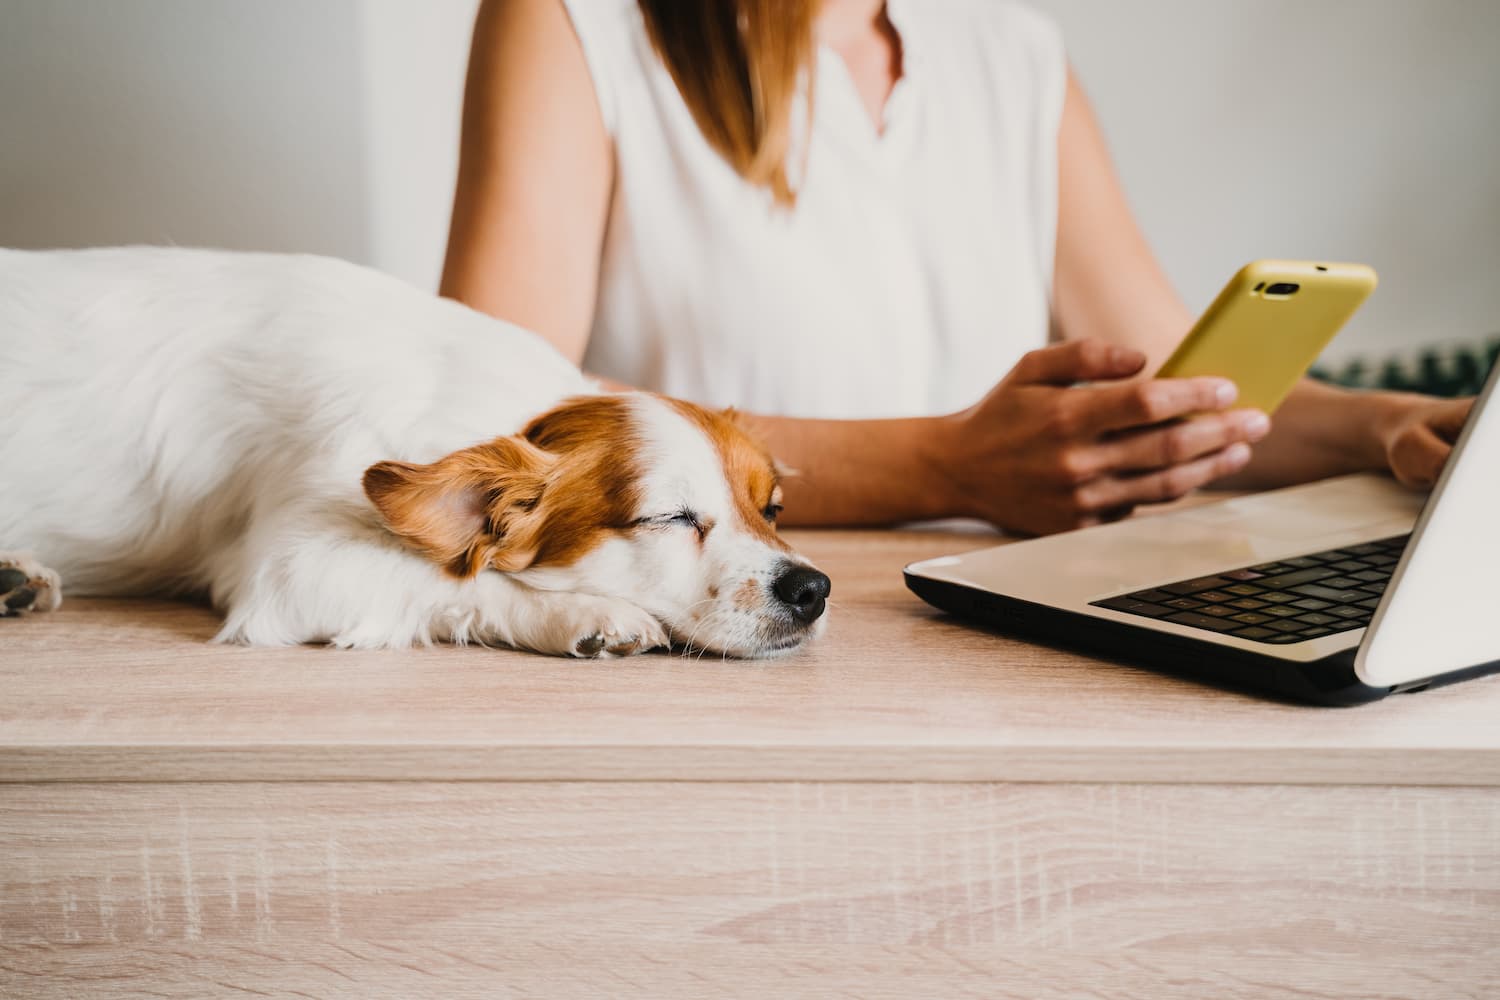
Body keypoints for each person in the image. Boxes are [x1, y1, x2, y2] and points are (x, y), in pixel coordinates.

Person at [440, 0, 1472, 536]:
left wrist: (1391, 427)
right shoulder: (577, 25)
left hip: (1006, 646)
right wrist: (945, 465)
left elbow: (1183, 391)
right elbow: (491, 401)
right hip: (729, 650)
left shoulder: (1011, 53)